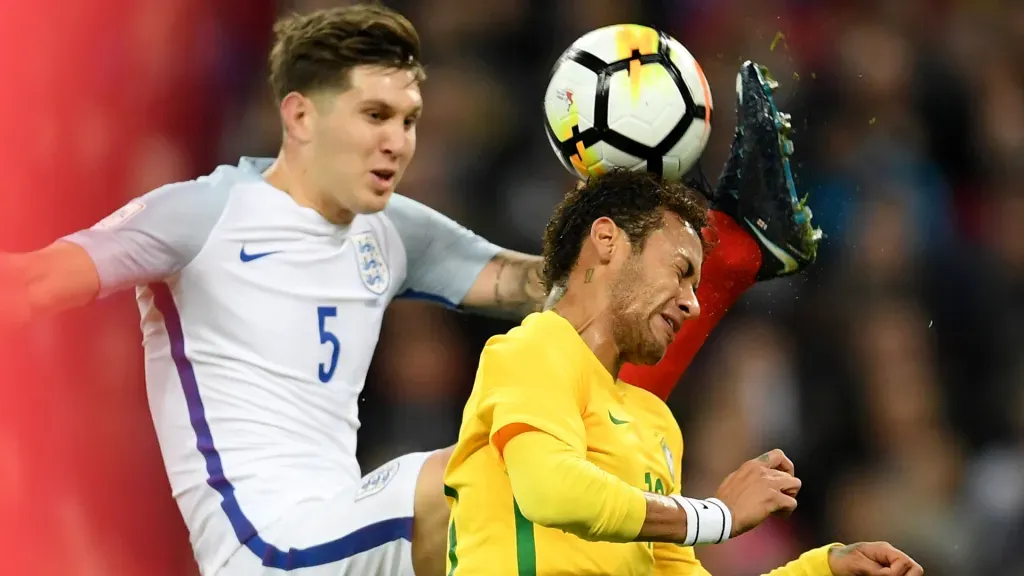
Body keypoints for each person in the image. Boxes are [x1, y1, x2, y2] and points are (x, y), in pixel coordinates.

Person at [442, 167, 924, 576]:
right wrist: (716, 516)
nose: (694, 304)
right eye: (680, 271)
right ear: (607, 241)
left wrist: (823, 568)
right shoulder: (532, 348)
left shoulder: (656, 425)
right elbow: (550, 492)